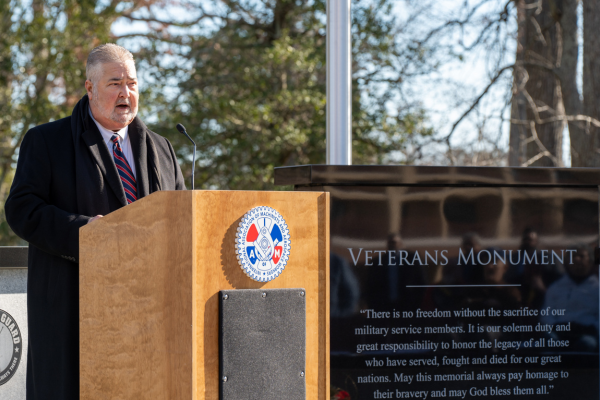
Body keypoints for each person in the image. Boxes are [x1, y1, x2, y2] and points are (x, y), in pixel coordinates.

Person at [4, 44, 186, 400]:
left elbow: (181, 219)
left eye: (132, 84)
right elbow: (21, 210)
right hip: (76, 313)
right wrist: (84, 233)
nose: (126, 93)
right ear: (89, 87)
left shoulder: (161, 148)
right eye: (115, 83)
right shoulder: (47, 141)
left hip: (149, 317)